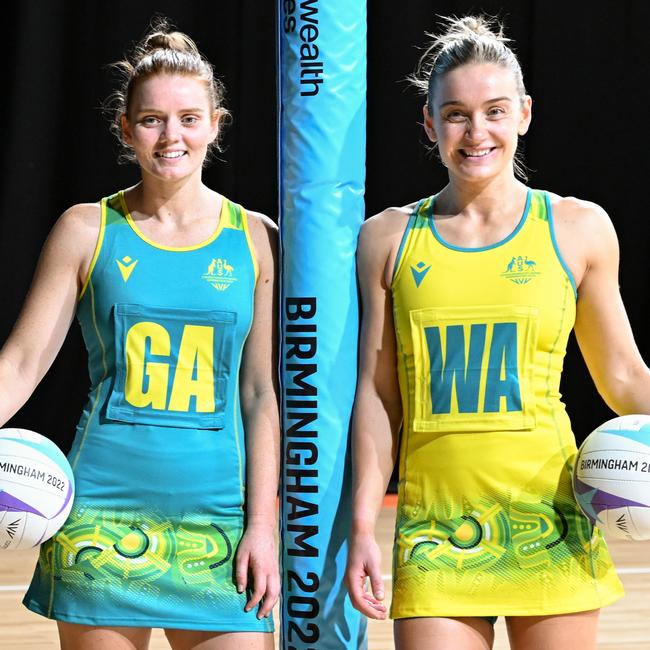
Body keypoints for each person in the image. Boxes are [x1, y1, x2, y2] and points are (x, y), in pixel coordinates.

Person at [345, 15, 649, 650]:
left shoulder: (577, 228)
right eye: (455, 114)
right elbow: (378, 396)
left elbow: (623, 377)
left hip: (550, 518)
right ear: (429, 125)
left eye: (494, 110)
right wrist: (362, 524)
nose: (475, 131)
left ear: (525, 115)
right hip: (434, 529)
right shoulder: (387, 238)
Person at [0, 20, 280, 650]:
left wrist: (264, 524)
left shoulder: (257, 238)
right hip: (102, 512)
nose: (171, 135)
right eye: (152, 119)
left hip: (221, 521)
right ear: (126, 130)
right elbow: (18, 365)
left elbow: (262, 395)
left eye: (188, 117)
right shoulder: (86, 228)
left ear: (216, 123)